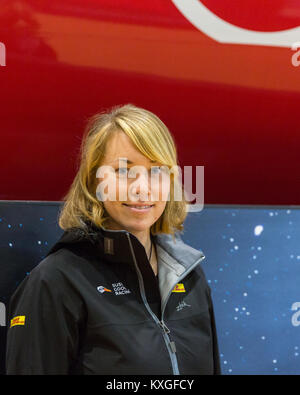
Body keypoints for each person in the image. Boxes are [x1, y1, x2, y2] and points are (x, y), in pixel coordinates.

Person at [6, 104, 221, 375]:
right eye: (124, 171)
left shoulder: (189, 276)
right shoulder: (56, 282)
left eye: (156, 171)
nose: (142, 188)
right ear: (94, 181)